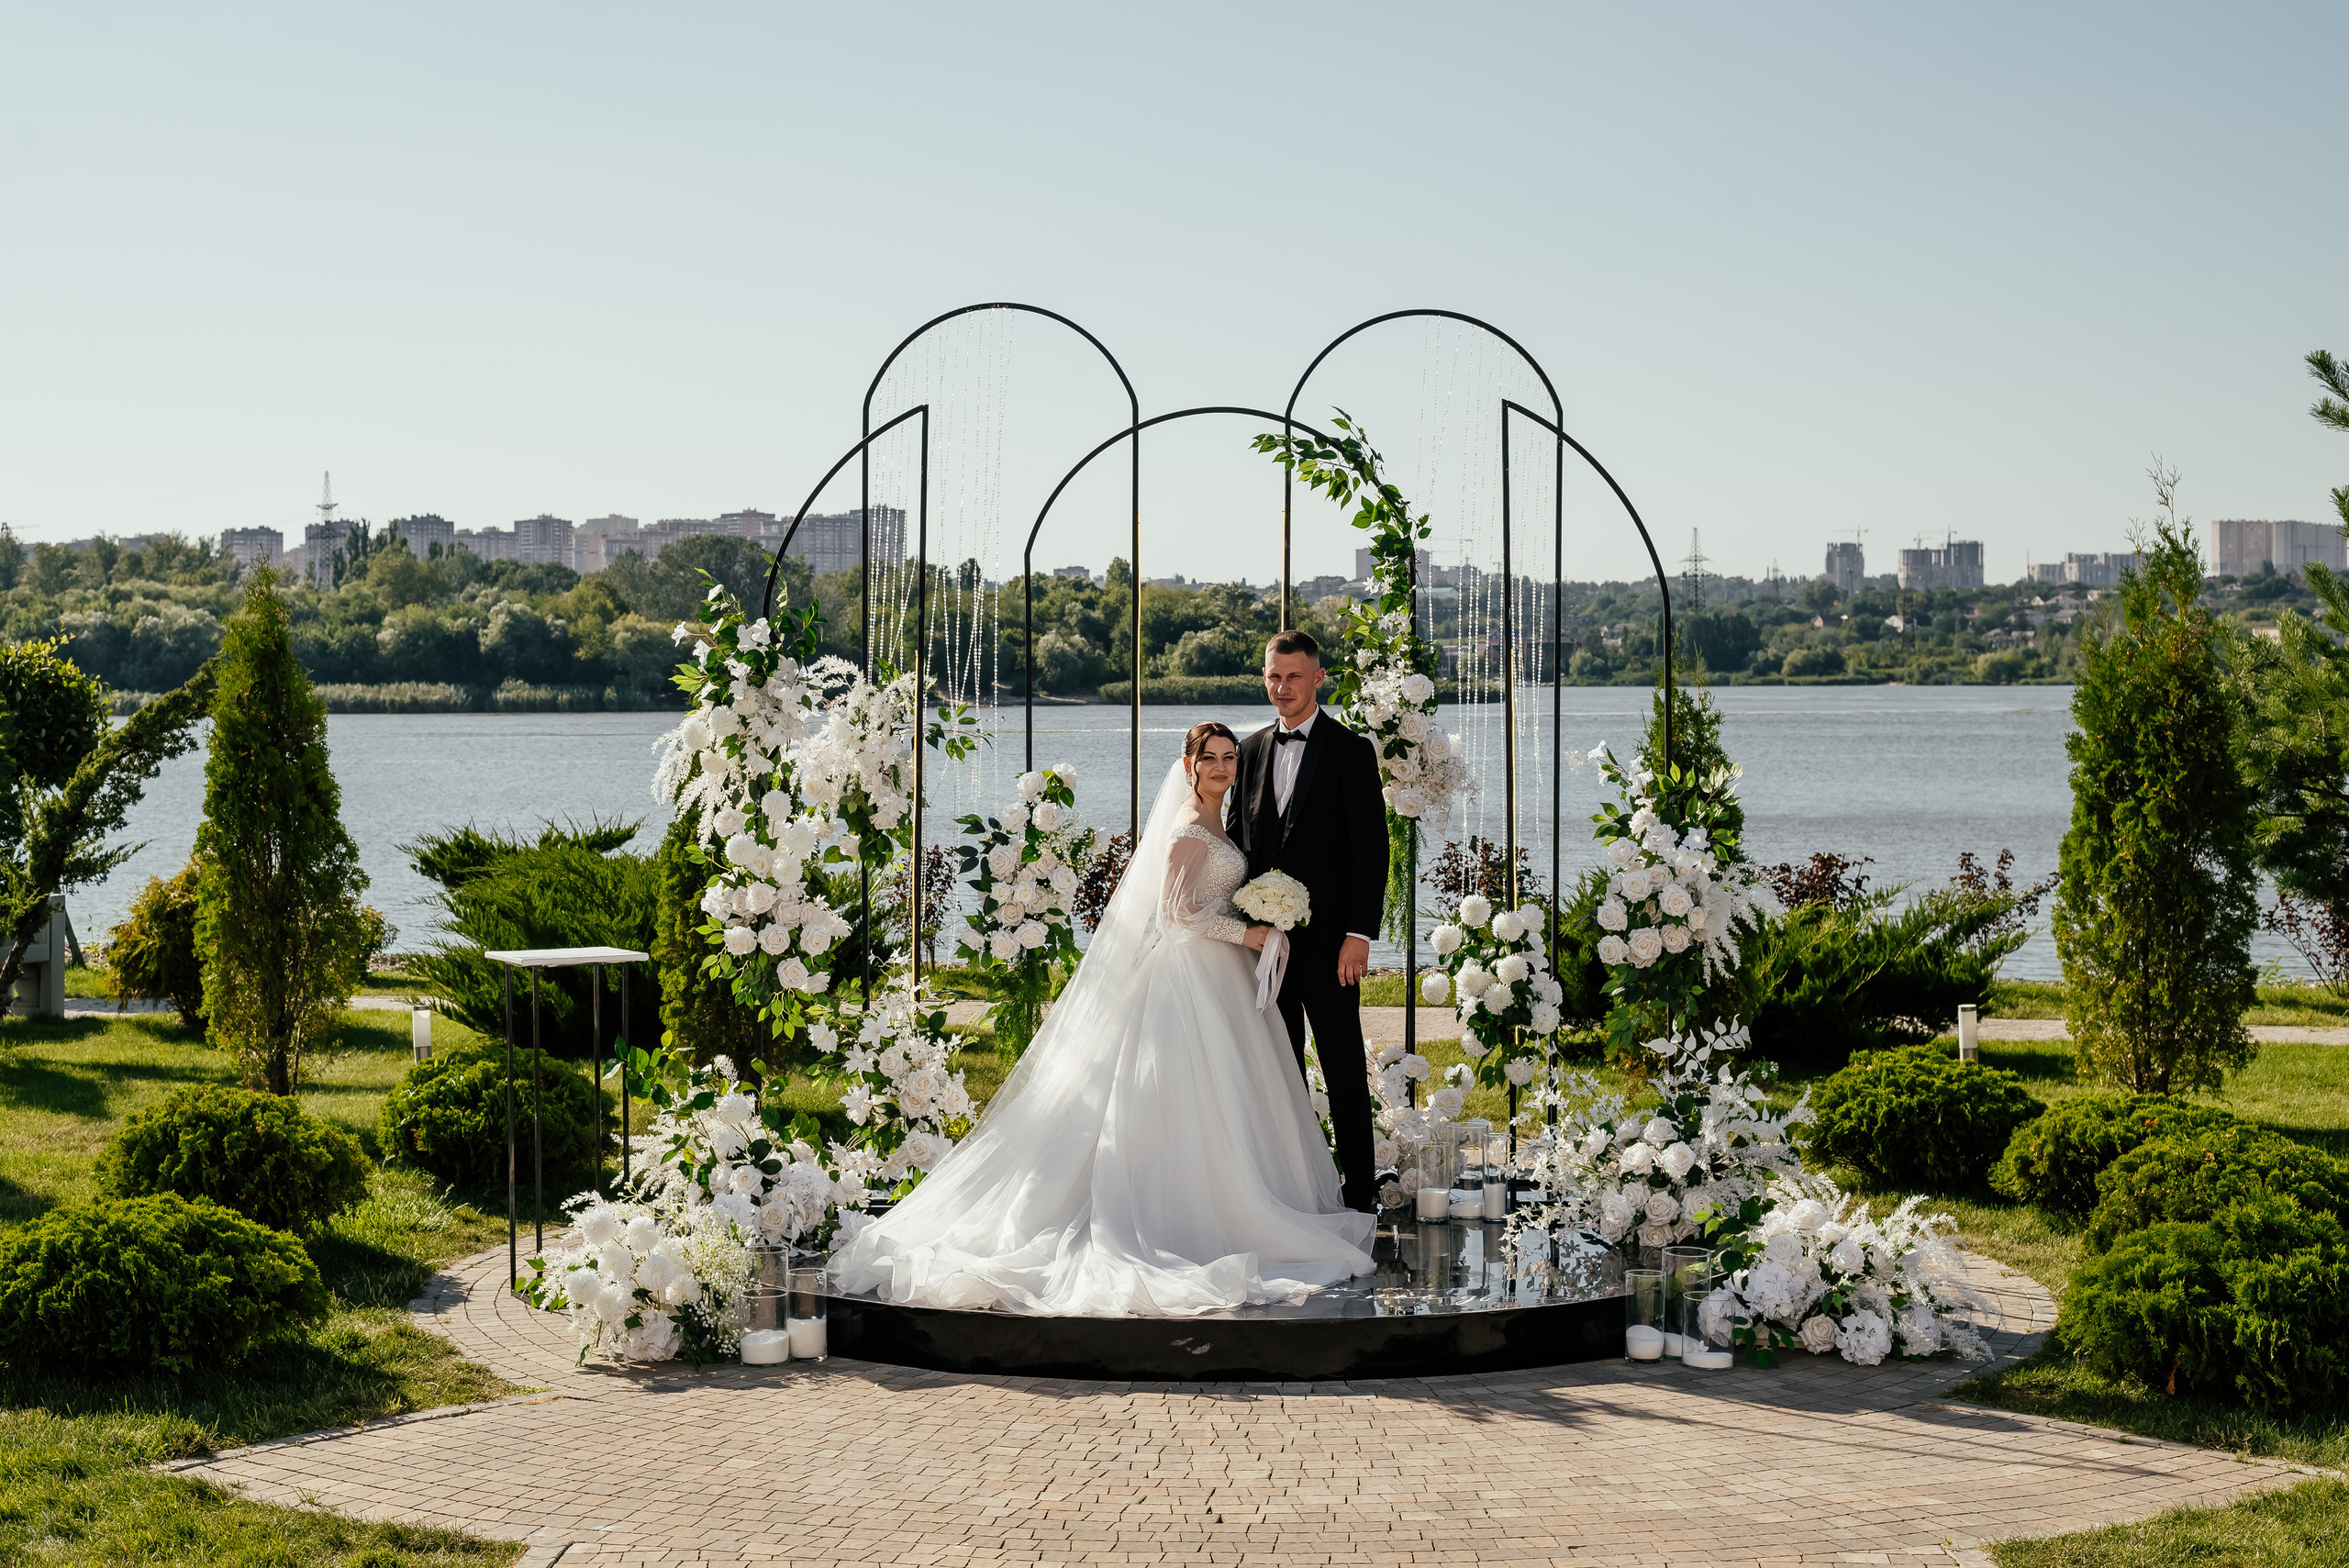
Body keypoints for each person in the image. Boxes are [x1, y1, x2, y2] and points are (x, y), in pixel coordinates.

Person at [828, 722, 1375, 1317]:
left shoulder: (1222, 818)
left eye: (1228, 758)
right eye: (1209, 758)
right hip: (1189, 978)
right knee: (1189, 1098)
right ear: (1187, 763)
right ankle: (1192, 1214)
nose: (1221, 767)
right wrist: (1251, 930)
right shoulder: (1189, 826)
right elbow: (1176, 915)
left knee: (1237, 1097)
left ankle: (1246, 1197)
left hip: (1225, 976)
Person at [1230, 628, 1388, 1214]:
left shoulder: (1350, 751)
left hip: (1330, 947)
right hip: (1265, 948)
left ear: (1318, 678)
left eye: (1293, 676)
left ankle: (1361, 1194)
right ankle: (1297, 1190)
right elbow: (1245, 848)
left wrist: (1358, 934)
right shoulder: (1247, 752)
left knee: (1344, 1068)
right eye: (1273, 676)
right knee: (1278, 1069)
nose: (1282, 687)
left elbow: (1372, 851)